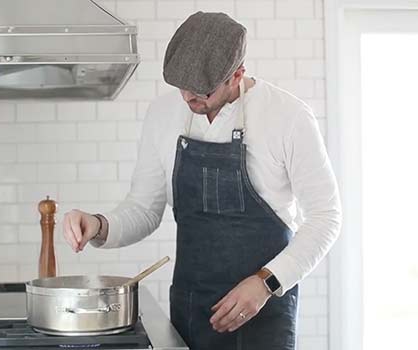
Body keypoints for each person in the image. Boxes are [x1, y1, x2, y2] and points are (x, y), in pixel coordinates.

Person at [62, 11, 341, 350]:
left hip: (264, 312)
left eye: (202, 92)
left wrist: (265, 283)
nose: (189, 99)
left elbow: (326, 218)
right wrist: (98, 225)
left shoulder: (289, 117)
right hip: (193, 311)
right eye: (182, 89)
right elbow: (144, 209)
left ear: (237, 74)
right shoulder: (163, 115)